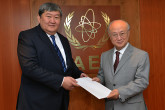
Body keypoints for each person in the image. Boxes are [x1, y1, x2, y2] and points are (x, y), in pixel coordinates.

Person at [16, 2, 87, 110]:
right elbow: (29, 68)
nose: (52, 21)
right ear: (39, 18)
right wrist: (61, 81)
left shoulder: (64, 40)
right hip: (36, 103)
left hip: (61, 101)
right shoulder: (27, 36)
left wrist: (79, 74)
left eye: (56, 17)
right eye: (48, 16)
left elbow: (68, 64)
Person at [93, 19, 150, 110]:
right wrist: (99, 80)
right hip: (110, 107)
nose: (119, 38)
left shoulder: (141, 55)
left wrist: (119, 92)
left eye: (122, 33)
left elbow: (142, 82)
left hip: (133, 107)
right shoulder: (104, 55)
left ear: (128, 33)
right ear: (110, 36)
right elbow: (102, 75)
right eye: (114, 34)